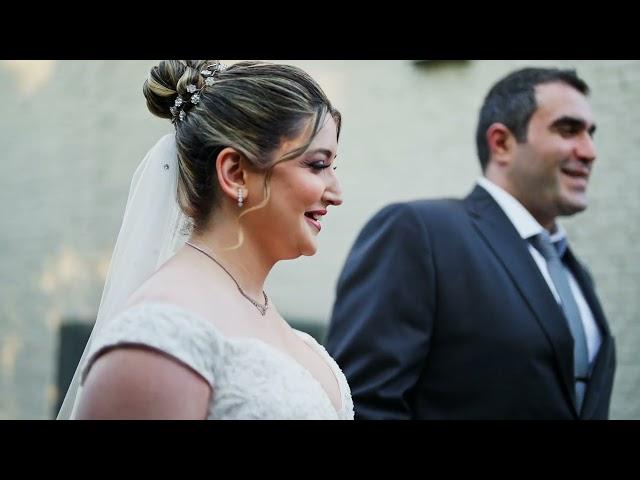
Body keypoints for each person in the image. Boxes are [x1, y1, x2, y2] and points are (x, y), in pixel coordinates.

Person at [57, 60, 353, 420]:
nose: (336, 194)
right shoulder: (162, 338)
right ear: (235, 173)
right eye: (318, 165)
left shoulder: (268, 317)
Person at [326, 67, 616, 419]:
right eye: (568, 130)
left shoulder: (574, 271)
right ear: (502, 143)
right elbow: (363, 403)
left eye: (591, 133)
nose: (589, 151)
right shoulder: (419, 233)